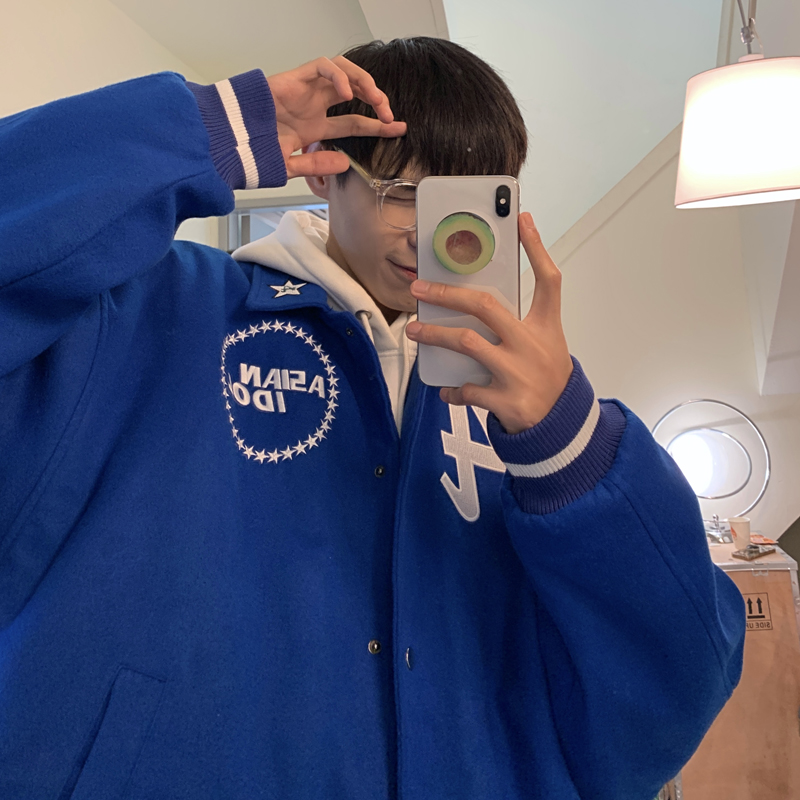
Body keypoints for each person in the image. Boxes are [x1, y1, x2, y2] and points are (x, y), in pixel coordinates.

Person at [0, 36, 744, 800]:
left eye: (468, 201)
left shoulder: (530, 422)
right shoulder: (153, 317)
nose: (434, 235)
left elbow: (673, 689)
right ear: (326, 171)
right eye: (404, 192)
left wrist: (569, 446)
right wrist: (211, 128)